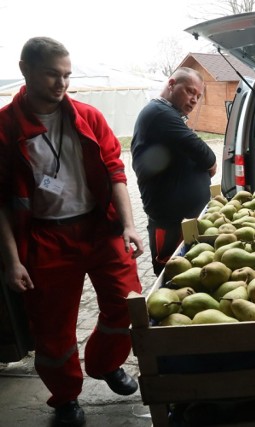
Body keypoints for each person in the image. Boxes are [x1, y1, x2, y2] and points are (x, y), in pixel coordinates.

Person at [0, 37, 144, 426]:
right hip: (47, 239)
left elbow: (116, 171)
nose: (62, 83)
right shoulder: (4, 128)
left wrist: (129, 225)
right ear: (25, 70)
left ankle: (105, 363)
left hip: (101, 228)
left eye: (66, 75)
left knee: (129, 302)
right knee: (53, 327)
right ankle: (65, 397)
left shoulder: (88, 116)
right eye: (51, 74)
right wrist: (12, 262)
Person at [131, 67, 217, 277]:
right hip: (170, 223)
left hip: (183, 220)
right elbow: (203, 154)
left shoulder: (169, 114)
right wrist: (211, 164)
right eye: (189, 91)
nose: (194, 100)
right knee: (170, 275)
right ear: (171, 84)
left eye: (198, 96)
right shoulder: (160, 113)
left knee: (189, 274)